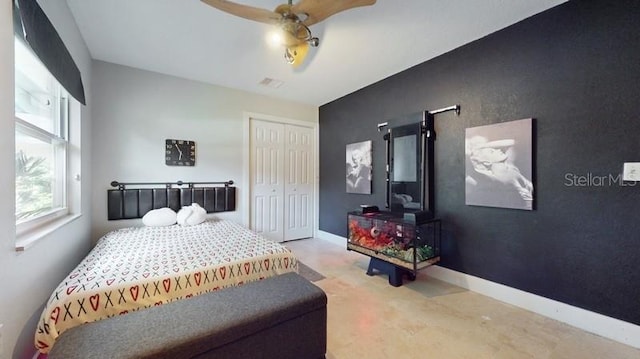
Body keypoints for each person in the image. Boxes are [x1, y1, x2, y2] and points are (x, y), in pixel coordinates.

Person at [465, 136, 533, 209]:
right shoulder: (491, 179)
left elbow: (512, 142)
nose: (498, 150)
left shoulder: (511, 167)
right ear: (487, 162)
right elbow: (466, 174)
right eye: (492, 152)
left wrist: (482, 146)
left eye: (495, 149)